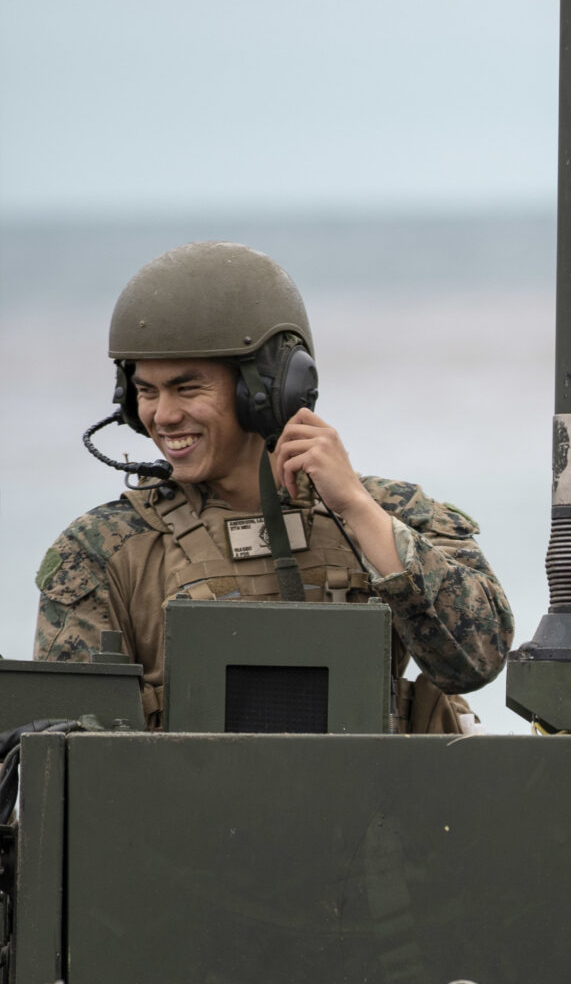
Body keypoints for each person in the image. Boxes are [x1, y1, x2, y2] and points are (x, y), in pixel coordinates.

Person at [34, 242, 513, 732]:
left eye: (187, 388)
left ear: (268, 390)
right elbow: (63, 748)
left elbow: (476, 660)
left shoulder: (390, 513)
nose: (163, 415)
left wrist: (354, 506)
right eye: (146, 392)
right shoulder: (102, 549)